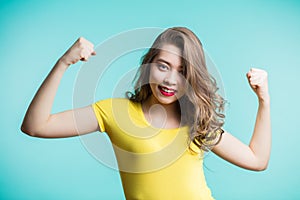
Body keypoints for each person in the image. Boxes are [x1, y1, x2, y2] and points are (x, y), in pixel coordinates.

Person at [21, 27, 271, 199]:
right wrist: (64, 62)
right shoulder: (114, 112)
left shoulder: (196, 121)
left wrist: (264, 100)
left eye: (182, 71)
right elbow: (36, 126)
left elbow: (257, 160)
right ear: (149, 65)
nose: (171, 80)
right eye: (163, 66)